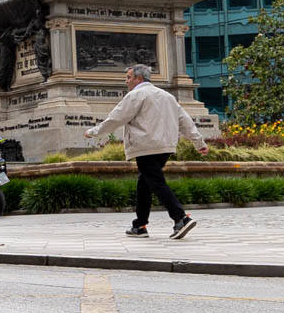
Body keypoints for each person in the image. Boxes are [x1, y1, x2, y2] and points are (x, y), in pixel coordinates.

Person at [85, 64, 208, 239]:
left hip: (145, 146)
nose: (126, 81)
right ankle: (140, 225)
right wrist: (199, 142)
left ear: (138, 79)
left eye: (128, 77)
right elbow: (184, 120)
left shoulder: (136, 95)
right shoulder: (167, 96)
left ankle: (181, 218)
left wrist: (93, 132)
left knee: (156, 183)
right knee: (145, 183)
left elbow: (116, 117)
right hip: (165, 146)